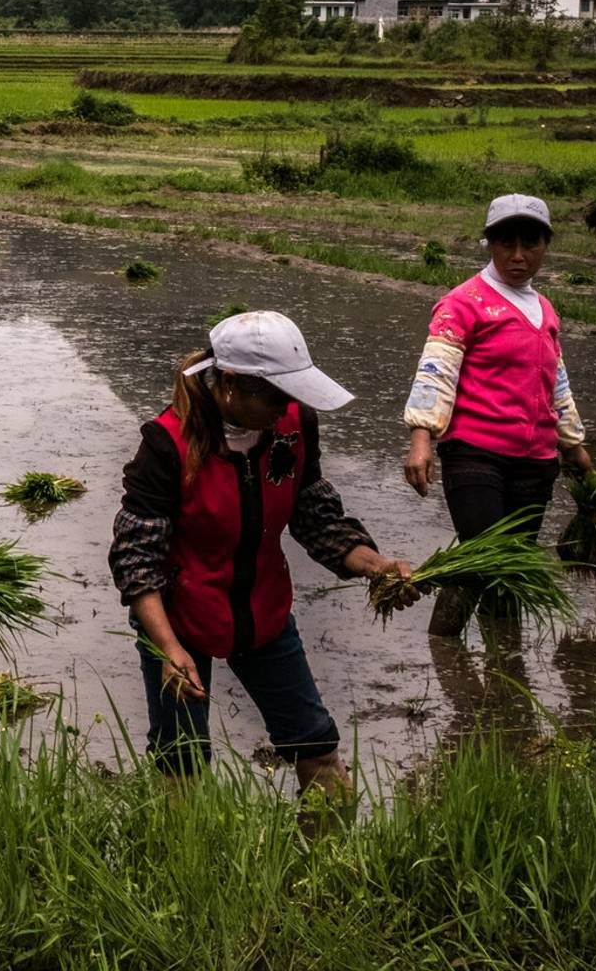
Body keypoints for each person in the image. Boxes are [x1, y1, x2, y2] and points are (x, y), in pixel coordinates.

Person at [110, 311, 411, 800]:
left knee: (316, 743)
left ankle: (328, 863)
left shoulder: (294, 425)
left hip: (263, 613)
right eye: (273, 395)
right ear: (229, 384)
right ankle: (179, 865)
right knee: (181, 759)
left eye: (290, 394)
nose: (285, 406)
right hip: (178, 619)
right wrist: (168, 649)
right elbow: (136, 562)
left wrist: (377, 568)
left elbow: (316, 518)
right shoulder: (166, 445)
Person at [400, 195, 596, 639]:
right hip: (475, 454)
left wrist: (574, 445)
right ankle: (446, 651)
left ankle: (503, 664)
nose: (518, 255)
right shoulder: (462, 303)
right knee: (485, 555)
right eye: (505, 243)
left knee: (513, 568)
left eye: (531, 244)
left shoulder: (545, 310)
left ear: (546, 245)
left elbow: (555, 380)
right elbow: (436, 371)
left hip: (535, 461)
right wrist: (421, 439)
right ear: (489, 244)